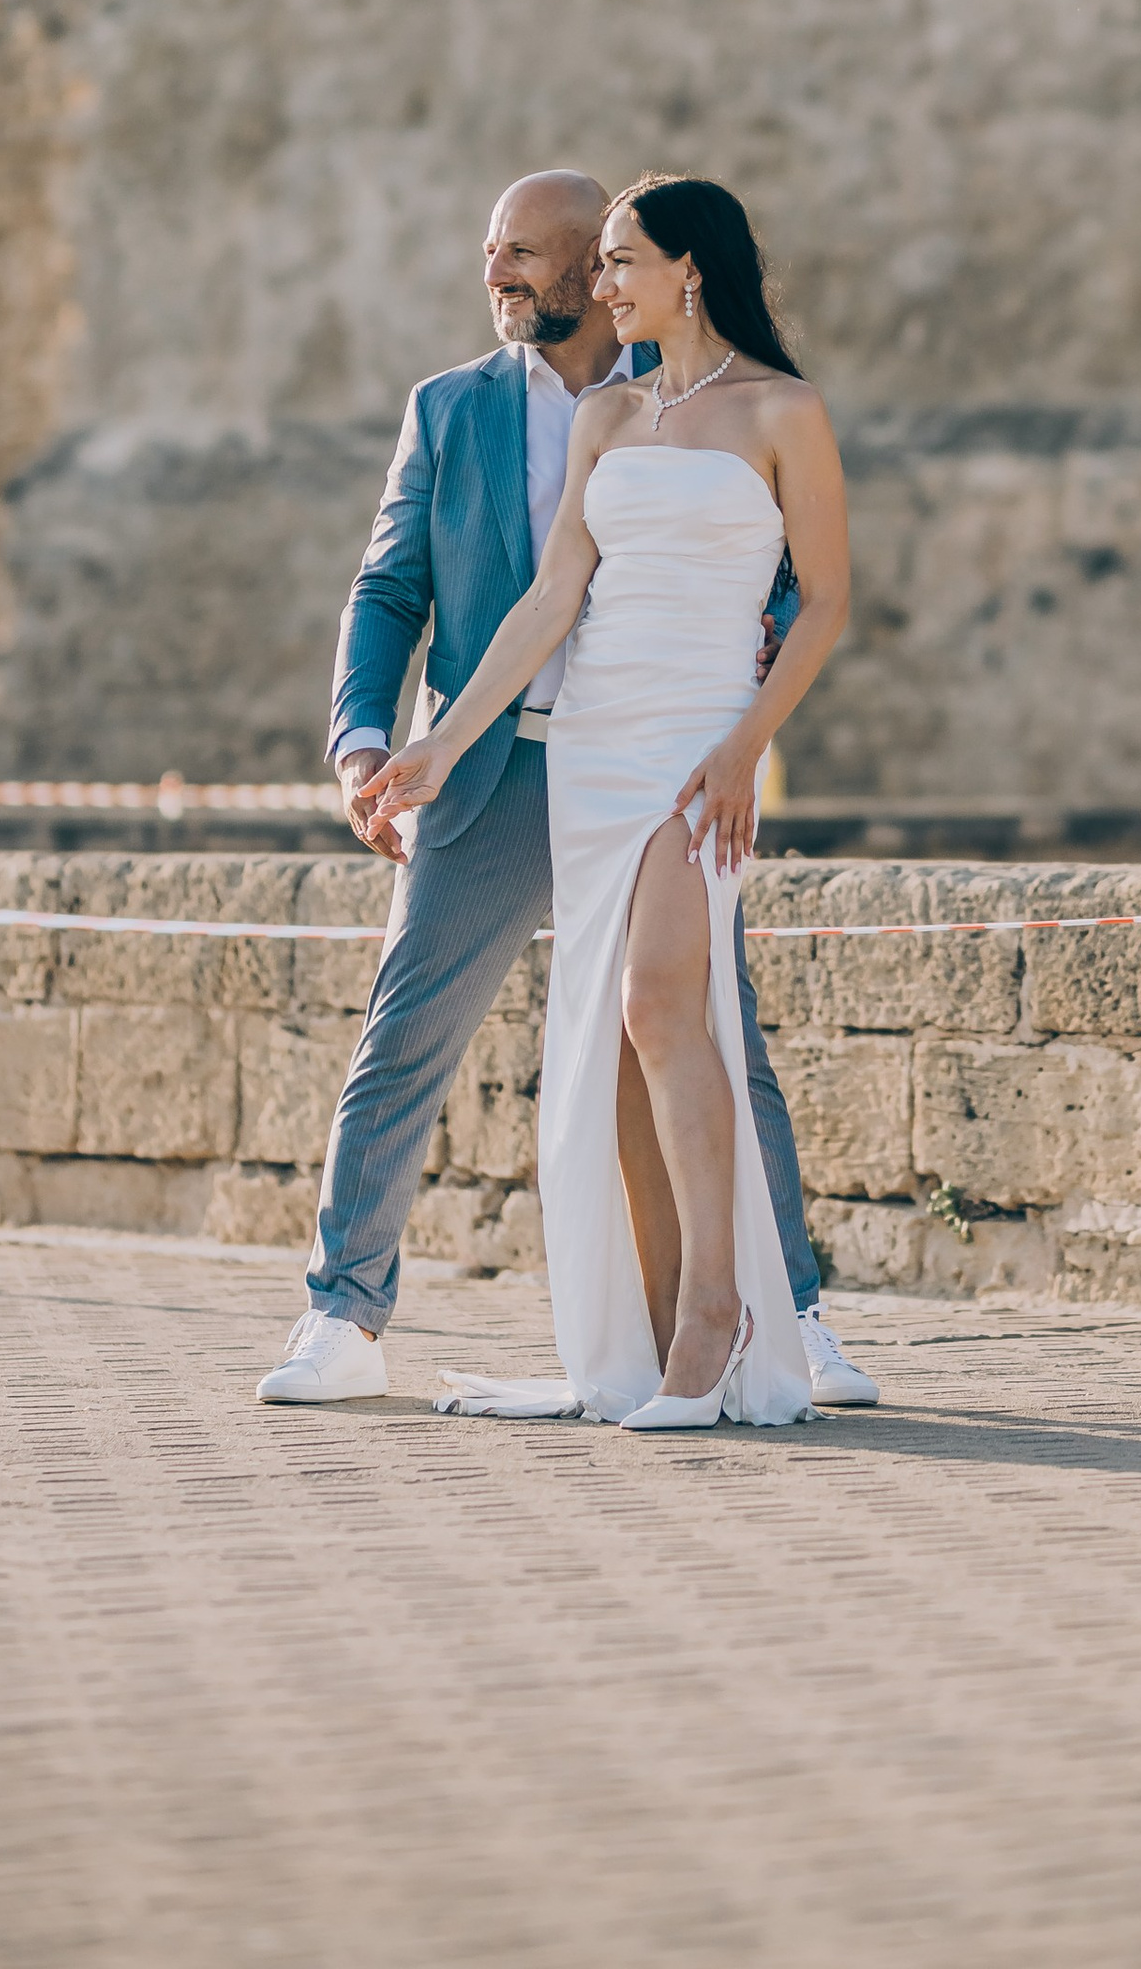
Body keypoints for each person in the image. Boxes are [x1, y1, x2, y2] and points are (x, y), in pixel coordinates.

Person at [257, 170, 877, 1415]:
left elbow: (804, 589)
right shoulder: (476, 410)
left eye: (545, 256)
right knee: (434, 1036)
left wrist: (747, 723)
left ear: (655, 267)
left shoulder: (756, 406)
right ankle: (353, 1315)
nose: (515, 277)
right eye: (501, 255)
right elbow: (441, 595)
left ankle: (783, 1317)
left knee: (702, 1029)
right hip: (521, 761)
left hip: (681, 748)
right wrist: (391, 744)